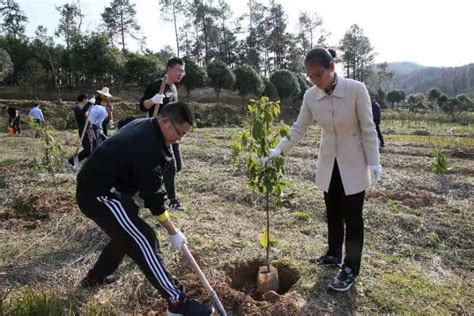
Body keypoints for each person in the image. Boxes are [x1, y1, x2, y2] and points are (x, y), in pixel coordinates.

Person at [261, 48, 382, 292]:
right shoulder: (310, 96)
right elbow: (298, 129)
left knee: (353, 217)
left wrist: (374, 161)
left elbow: (368, 128)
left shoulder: (356, 90)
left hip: (354, 162)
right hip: (329, 162)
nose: (314, 80)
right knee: (333, 211)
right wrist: (278, 151)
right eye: (309, 76)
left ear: (331, 68)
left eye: (317, 74)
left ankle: (350, 268)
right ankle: (333, 254)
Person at [76, 102, 213, 315]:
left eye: (185, 134)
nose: (180, 139)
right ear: (166, 121)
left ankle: (96, 276)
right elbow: (154, 198)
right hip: (99, 195)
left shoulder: (149, 126)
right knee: (144, 238)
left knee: (124, 234)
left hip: (114, 190)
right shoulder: (147, 145)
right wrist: (173, 232)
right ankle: (177, 302)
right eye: (180, 133)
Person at [140, 57, 186, 211]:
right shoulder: (156, 85)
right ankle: (173, 201)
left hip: (173, 134)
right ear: (169, 69)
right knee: (170, 166)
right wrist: (153, 100)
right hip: (158, 133)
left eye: (183, 71)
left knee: (177, 166)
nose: (182, 73)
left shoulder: (174, 89)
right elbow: (142, 106)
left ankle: (150, 187)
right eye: (179, 70)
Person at [66, 94, 94, 169]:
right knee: (88, 151)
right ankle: (71, 162)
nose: (87, 101)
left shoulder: (82, 108)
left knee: (90, 150)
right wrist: (89, 104)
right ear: (84, 100)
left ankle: (88, 166)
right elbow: (80, 114)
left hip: (88, 131)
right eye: (87, 100)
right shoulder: (77, 108)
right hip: (84, 131)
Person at [88, 87, 111, 152]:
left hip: (103, 120)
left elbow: (110, 109)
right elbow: (98, 122)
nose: (105, 97)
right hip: (94, 120)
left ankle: (104, 147)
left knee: (103, 133)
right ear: (101, 94)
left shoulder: (107, 100)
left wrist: (110, 119)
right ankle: (96, 150)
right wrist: (99, 128)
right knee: (96, 135)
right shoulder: (96, 100)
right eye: (104, 95)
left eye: (106, 96)